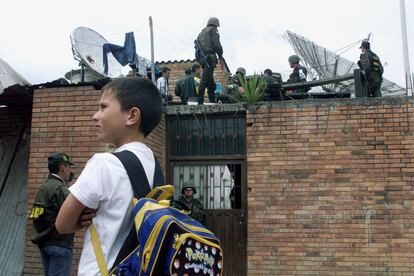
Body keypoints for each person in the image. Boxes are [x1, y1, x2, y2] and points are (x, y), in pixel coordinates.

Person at [56, 77, 163, 275]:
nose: (95, 116)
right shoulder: (155, 166)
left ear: (132, 116)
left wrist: (83, 216)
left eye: (103, 107)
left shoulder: (104, 163)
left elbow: (62, 224)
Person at [30, 152, 75, 276]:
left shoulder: (43, 188)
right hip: (60, 244)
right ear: (63, 168)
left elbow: (36, 216)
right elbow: (73, 213)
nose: (70, 171)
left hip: (45, 243)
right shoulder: (60, 189)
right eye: (69, 167)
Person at [195, 17, 223, 104]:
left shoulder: (201, 33)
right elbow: (217, 45)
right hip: (209, 59)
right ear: (215, 24)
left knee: (211, 82)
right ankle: (200, 101)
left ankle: (212, 99)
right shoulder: (213, 30)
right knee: (204, 81)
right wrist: (220, 56)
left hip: (203, 59)